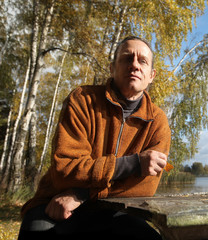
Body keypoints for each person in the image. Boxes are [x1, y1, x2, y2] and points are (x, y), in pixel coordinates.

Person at [18, 36, 171, 239]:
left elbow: (145, 187)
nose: (134, 65)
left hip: (114, 210)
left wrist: (82, 194)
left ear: (151, 75)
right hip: (57, 201)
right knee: (36, 230)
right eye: (126, 58)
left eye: (142, 60)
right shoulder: (82, 100)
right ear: (112, 68)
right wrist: (134, 164)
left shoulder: (157, 122)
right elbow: (65, 168)